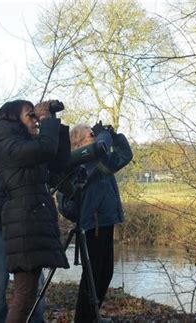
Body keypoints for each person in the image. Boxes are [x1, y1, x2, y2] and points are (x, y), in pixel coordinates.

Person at [0, 99, 70, 323]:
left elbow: (59, 162)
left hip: (32, 220)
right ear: (14, 120)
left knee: (29, 294)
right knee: (24, 296)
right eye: (29, 115)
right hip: (23, 221)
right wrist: (46, 120)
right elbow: (44, 149)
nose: (35, 120)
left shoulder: (23, 145)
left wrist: (54, 123)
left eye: (35, 116)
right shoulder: (7, 145)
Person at [59, 122, 133, 322]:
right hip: (93, 225)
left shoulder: (99, 162)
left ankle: (91, 316)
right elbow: (99, 148)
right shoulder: (80, 163)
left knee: (105, 273)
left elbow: (125, 155)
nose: (96, 136)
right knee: (92, 276)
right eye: (91, 134)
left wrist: (114, 135)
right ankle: (83, 319)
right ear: (79, 142)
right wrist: (103, 136)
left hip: (105, 222)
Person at [0, 148, 46, 323]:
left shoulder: (25, 156)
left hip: (24, 227)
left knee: (34, 281)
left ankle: (35, 319)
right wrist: (24, 207)